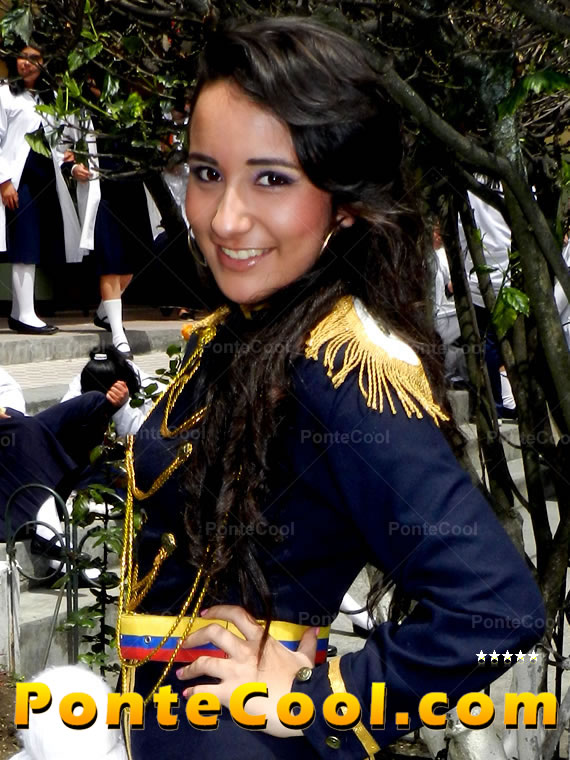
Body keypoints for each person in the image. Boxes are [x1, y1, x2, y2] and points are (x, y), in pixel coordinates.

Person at [118, 18, 544, 759]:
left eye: (271, 179)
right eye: (207, 173)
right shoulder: (253, 329)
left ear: (344, 203)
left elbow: (498, 610)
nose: (226, 218)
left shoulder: (337, 366)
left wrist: (324, 699)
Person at [0, 43, 85, 334]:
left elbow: (63, 142)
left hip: (45, 177)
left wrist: (71, 161)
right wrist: (4, 182)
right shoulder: (5, 94)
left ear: (44, 62)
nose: (26, 63)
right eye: (22, 57)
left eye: (33, 58)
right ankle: (26, 313)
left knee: (36, 242)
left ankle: (18, 312)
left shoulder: (53, 99)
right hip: (18, 179)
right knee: (24, 242)